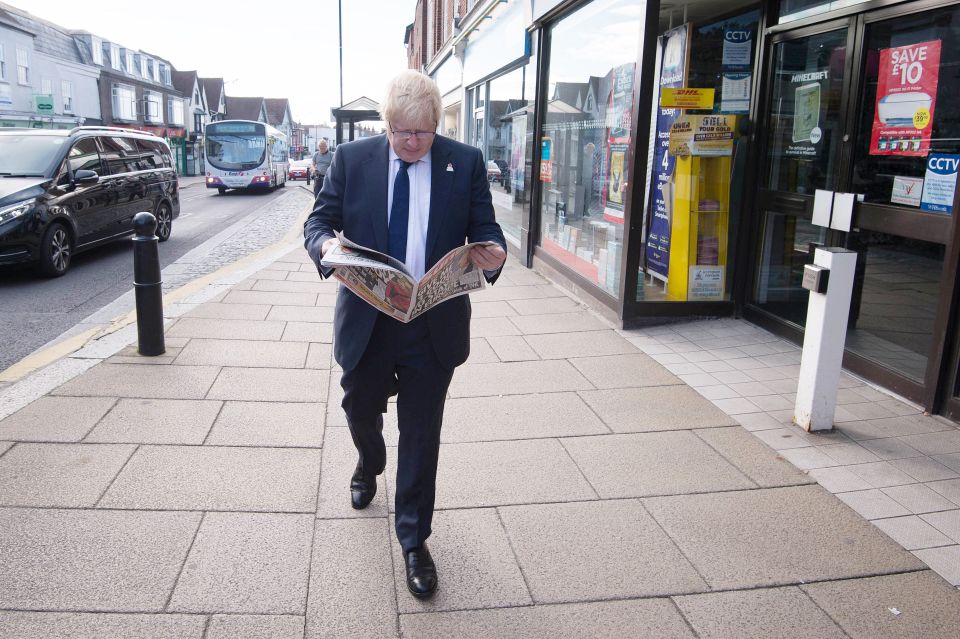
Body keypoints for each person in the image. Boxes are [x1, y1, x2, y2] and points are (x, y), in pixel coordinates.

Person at [304, 70, 507, 600]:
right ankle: (370, 462)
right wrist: (325, 247)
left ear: (437, 125)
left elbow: (486, 230)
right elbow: (318, 220)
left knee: (421, 433)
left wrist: (492, 253)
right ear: (386, 123)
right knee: (358, 408)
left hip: (432, 322)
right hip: (370, 319)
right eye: (401, 132)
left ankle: (415, 541)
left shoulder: (463, 162)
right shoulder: (352, 160)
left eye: (422, 133)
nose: (412, 142)